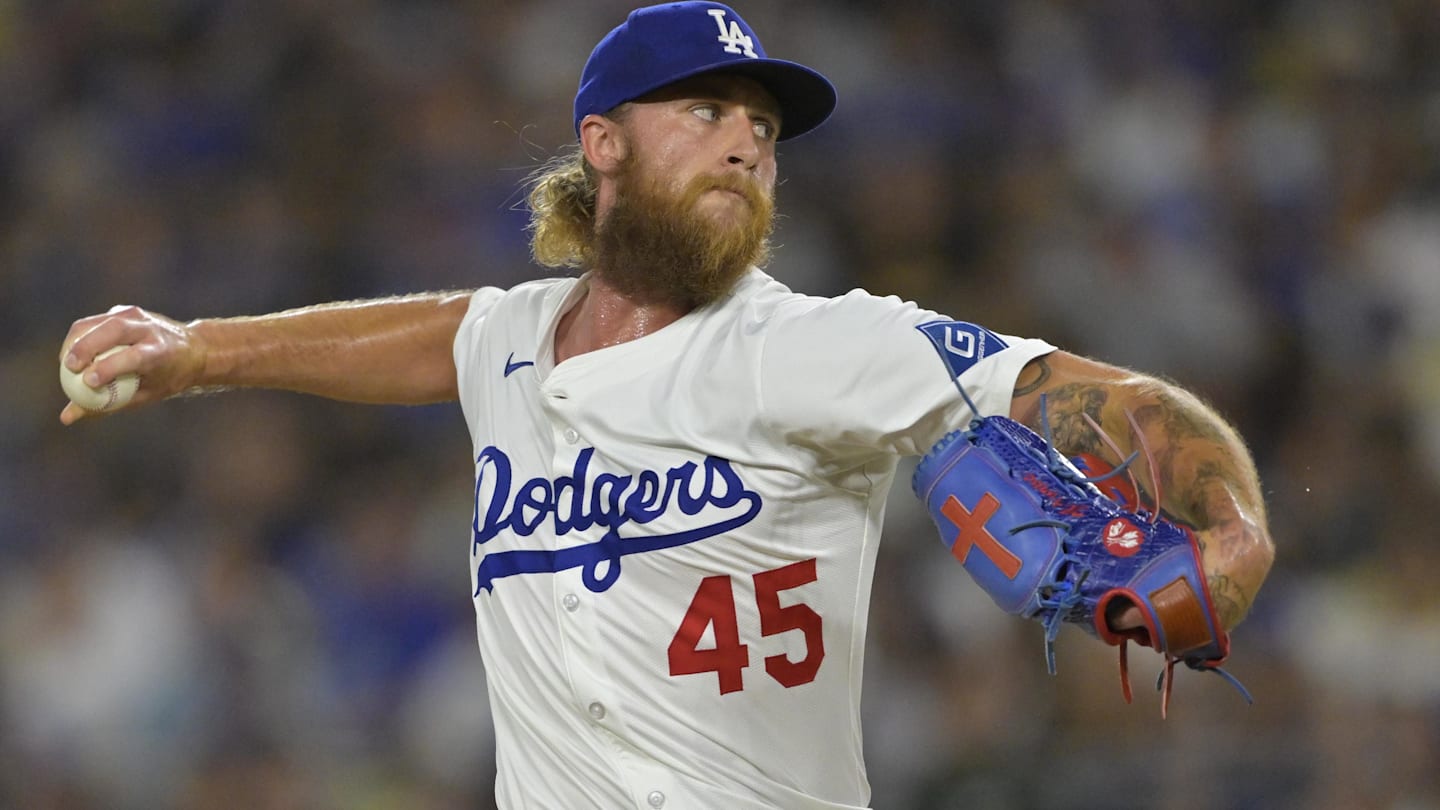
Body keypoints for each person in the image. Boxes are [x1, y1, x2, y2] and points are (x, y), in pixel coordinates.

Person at [58, 3, 1274, 808]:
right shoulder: (513, 340)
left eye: (762, 128)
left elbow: (1109, 397)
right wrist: (201, 350)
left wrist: (1230, 531)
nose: (746, 144)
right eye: (705, 111)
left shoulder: (821, 343)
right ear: (604, 143)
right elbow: (440, 333)